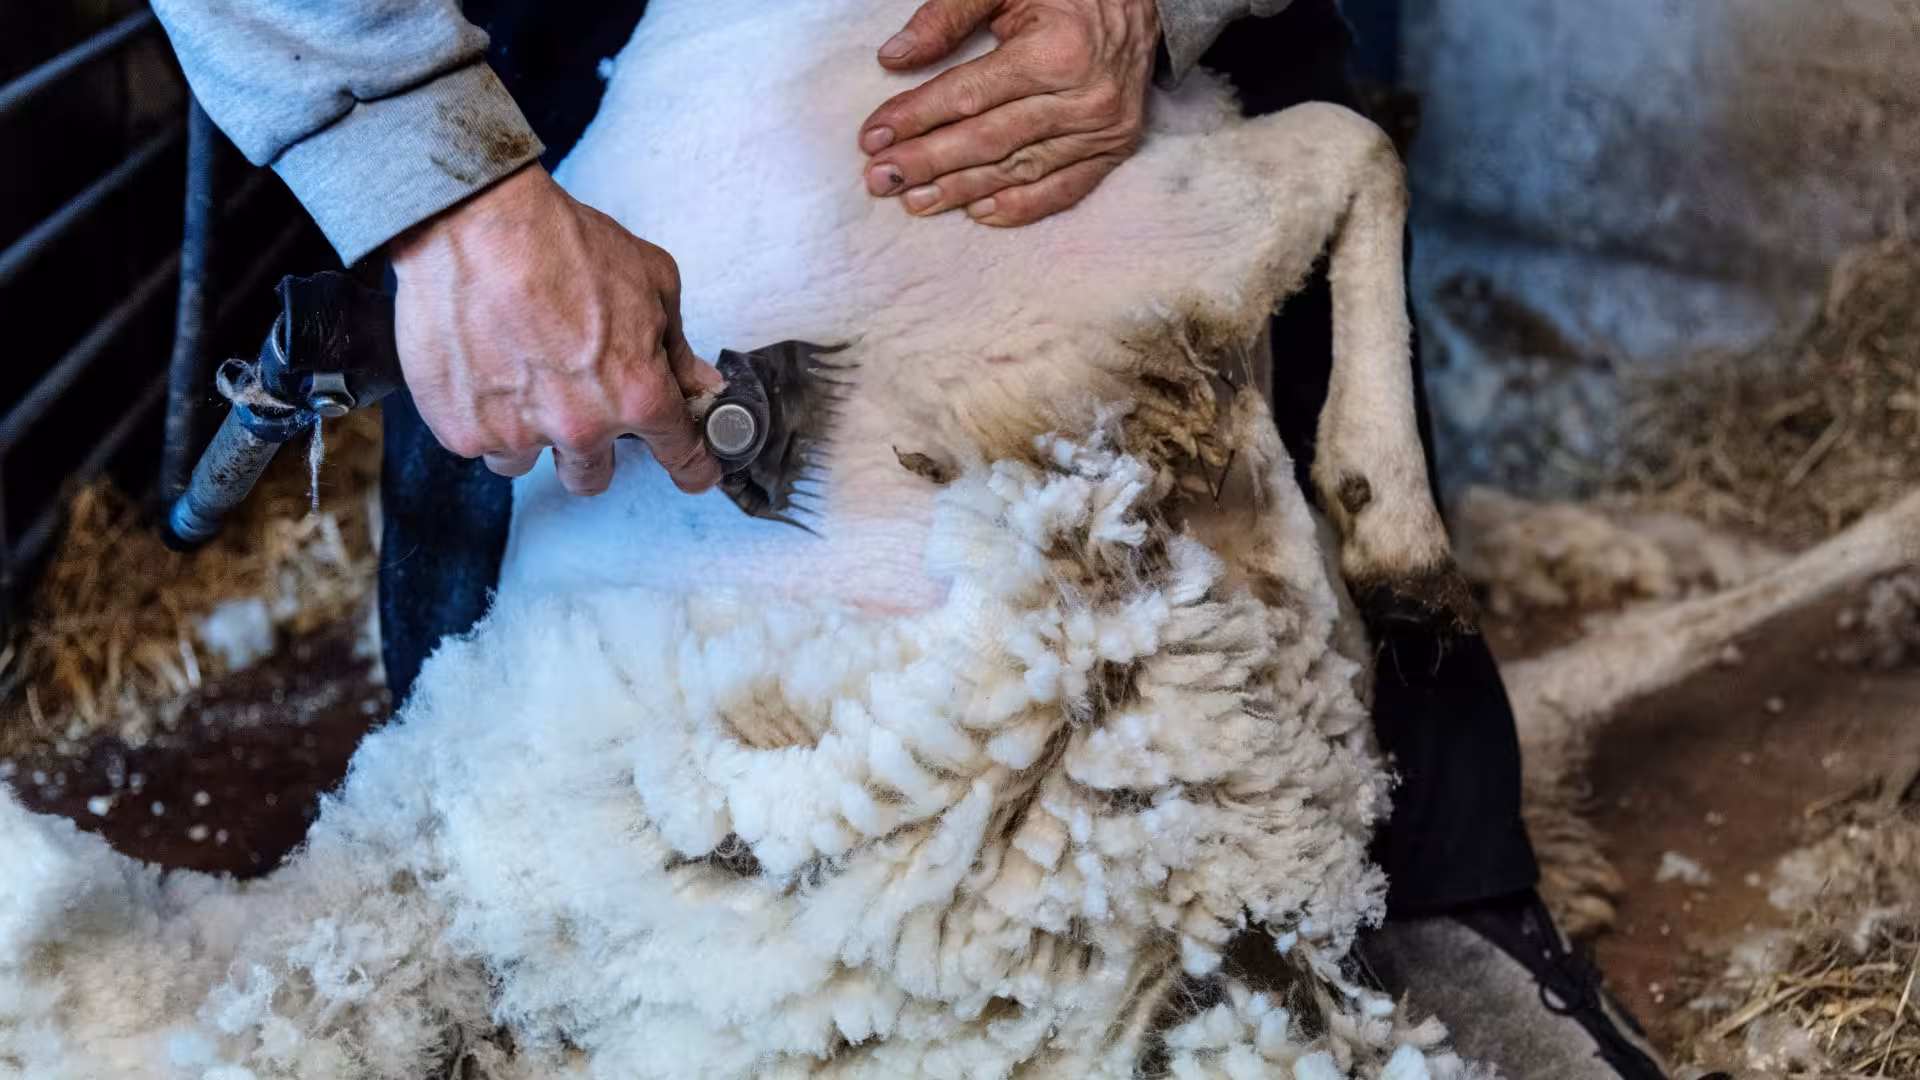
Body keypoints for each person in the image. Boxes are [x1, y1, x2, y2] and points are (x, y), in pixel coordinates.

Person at [149, 2, 1692, 1076]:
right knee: (525, 798)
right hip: (570, 77)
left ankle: (1433, 890)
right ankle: (509, 908)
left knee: (1235, 739)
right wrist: (438, 181)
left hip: (1069, 85)